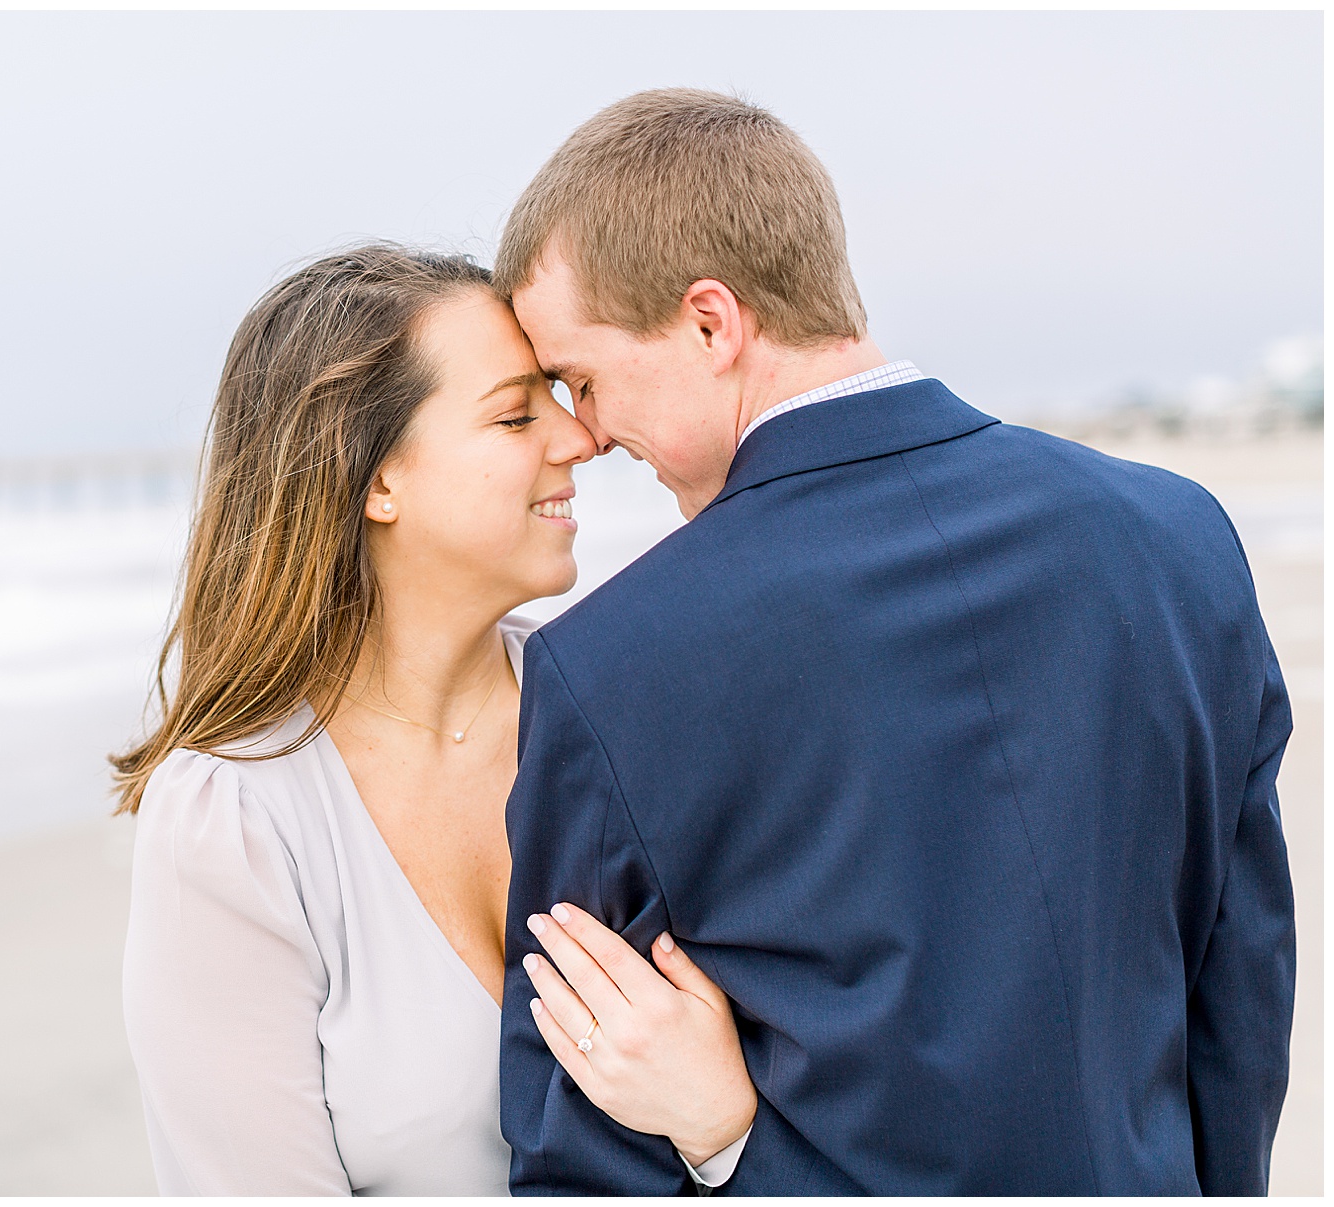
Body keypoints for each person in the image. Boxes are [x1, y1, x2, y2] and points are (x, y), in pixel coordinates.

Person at [493, 88, 1296, 1195]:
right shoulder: (1179, 540)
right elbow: (1239, 1001)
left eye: (583, 380)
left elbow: (587, 1164)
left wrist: (738, 1147)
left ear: (712, 323)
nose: (585, 434)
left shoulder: (610, 669)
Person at [115, 245, 756, 1195]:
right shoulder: (237, 820)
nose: (580, 440)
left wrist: (724, 1129)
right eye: (513, 415)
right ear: (376, 481)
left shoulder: (636, 710)